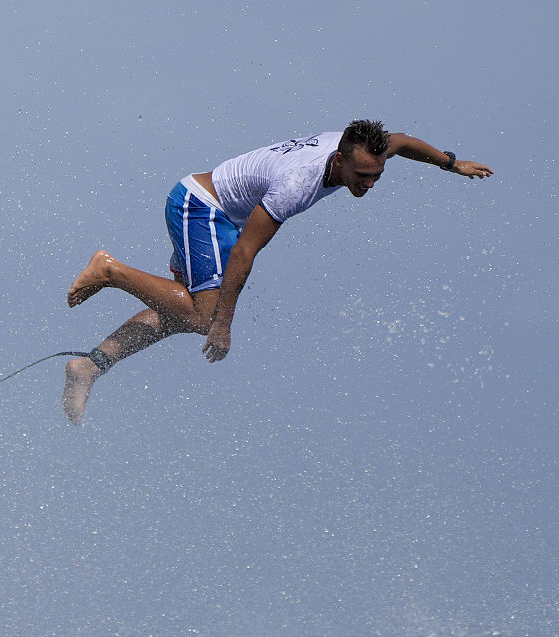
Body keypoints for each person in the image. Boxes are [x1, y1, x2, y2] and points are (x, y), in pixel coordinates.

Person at [61, 120, 493, 423]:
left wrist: (450, 163)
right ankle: (110, 270)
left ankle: (91, 365)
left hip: (217, 214)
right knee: (203, 316)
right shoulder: (296, 186)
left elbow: (400, 140)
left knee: (181, 311)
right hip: (201, 208)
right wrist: (224, 326)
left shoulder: (366, 148)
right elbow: (245, 253)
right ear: (340, 158)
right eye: (362, 175)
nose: (369, 184)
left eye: (377, 174)